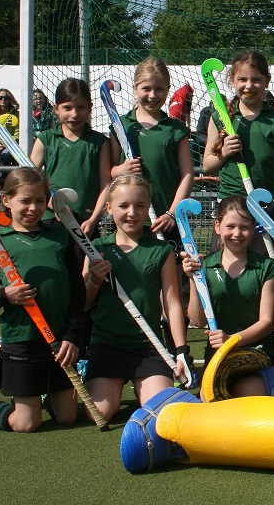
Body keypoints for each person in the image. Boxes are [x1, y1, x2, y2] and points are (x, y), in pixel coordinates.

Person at [0, 167, 85, 432]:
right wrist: (4, 295)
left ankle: (40, 395)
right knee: (26, 424)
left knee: (67, 418)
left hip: (59, 341)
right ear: (6, 200)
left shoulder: (59, 236)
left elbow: (77, 291)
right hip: (21, 341)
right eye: (25, 201)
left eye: (40, 201)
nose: (33, 208)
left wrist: (72, 337)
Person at [82, 174, 192, 422]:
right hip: (107, 345)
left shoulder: (161, 250)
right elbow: (84, 303)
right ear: (109, 208)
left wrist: (181, 350)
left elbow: (172, 304)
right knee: (98, 413)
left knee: (161, 413)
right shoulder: (96, 248)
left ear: (148, 207)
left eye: (140, 205)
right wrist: (94, 281)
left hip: (148, 346)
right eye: (123, 206)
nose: (132, 213)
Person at [203, 50, 274, 256]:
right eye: (242, 79)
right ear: (232, 81)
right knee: (226, 270)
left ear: (267, 81)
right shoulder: (220, 117)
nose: (249, 86)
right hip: (230, 210)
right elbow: (208, 164)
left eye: (256, 80)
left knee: (268, 272)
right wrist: (225, 152)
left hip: (265, 211)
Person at [181, 196, 274, 380]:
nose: (237, 233)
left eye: (244, 227)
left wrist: (231, 340)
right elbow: (198, 321)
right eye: (230, 226)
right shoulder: (205, 266)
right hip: (219, 352)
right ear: (217, 226)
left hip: (258, 350)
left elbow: (266, 323)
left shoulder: (267, 267)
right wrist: (193, 279)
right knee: (210, 395)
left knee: (241, 386)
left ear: (253, 229)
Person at [110, 57, 194, 238]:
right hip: (128, 219)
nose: (152, 95)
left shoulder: (176, 129)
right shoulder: (121, 125)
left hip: (166, 220)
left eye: (159, 89)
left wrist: (172, 213)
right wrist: (120, 170)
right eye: (146, 89)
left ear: (168, 90)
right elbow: (107, 173)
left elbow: (188, 174)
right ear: (135, 88)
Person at [30, 79, 110, 236]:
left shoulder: (100, 142)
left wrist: (93, 220)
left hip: (86, 223)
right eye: (67, 108)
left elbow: (106, 185)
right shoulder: (46, 139)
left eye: (81, 107)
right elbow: (30, 182)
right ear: (56, 108)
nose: (74, 114)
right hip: (52, 219)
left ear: (90, 108)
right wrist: (54, 204)